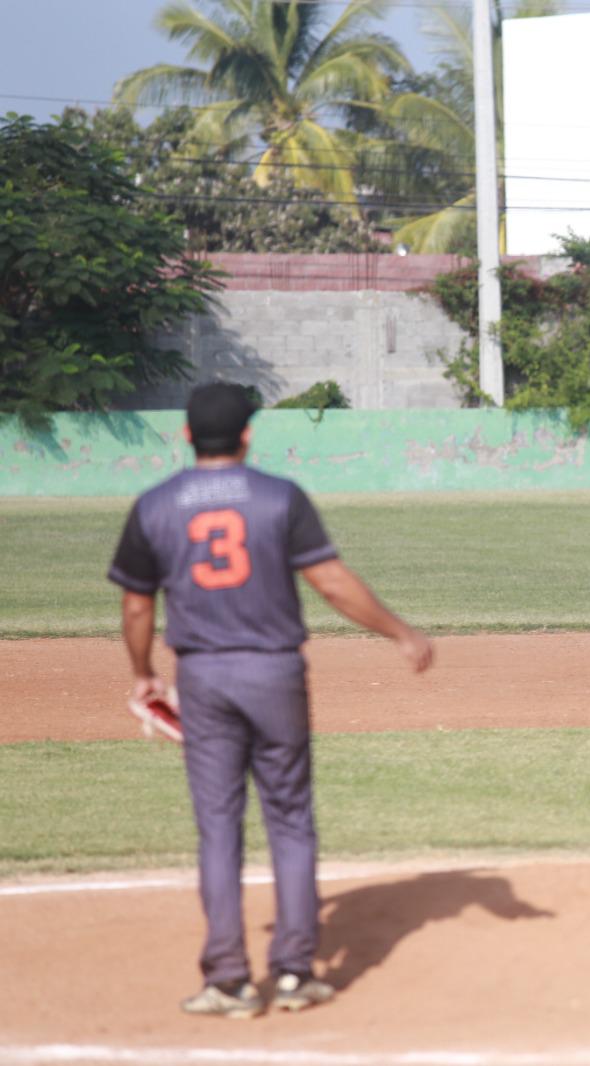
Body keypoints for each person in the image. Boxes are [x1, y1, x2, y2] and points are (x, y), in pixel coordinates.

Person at [108, 382, 434, 1018]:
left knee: (218, 826)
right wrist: (401, 632)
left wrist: (144, 673)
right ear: (249, 434)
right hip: (274, 674)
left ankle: (228, 979)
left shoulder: (154, 504)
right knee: (288, 818)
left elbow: (136, 604)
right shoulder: (279, 496)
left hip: (202, 677)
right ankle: (292, 973)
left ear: (185, 436)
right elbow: (332, 582)